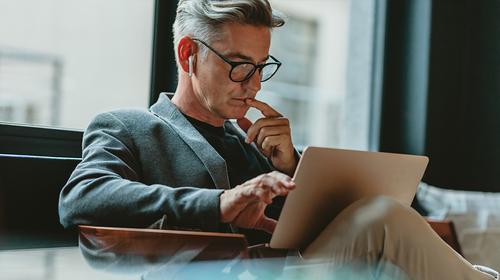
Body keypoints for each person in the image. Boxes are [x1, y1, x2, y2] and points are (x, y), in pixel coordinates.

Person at [58, 0, 497, 279]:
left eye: (262, 66)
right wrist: (219, 204)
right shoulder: (128, 126)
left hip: (289, 270)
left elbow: (304, 232)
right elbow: (82, 197)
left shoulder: (257, 144)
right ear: (188, 54)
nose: (254, 84)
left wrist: (291, 167)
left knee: (384, 220)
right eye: (239, 65)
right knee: (383, 217)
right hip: (216, 274)